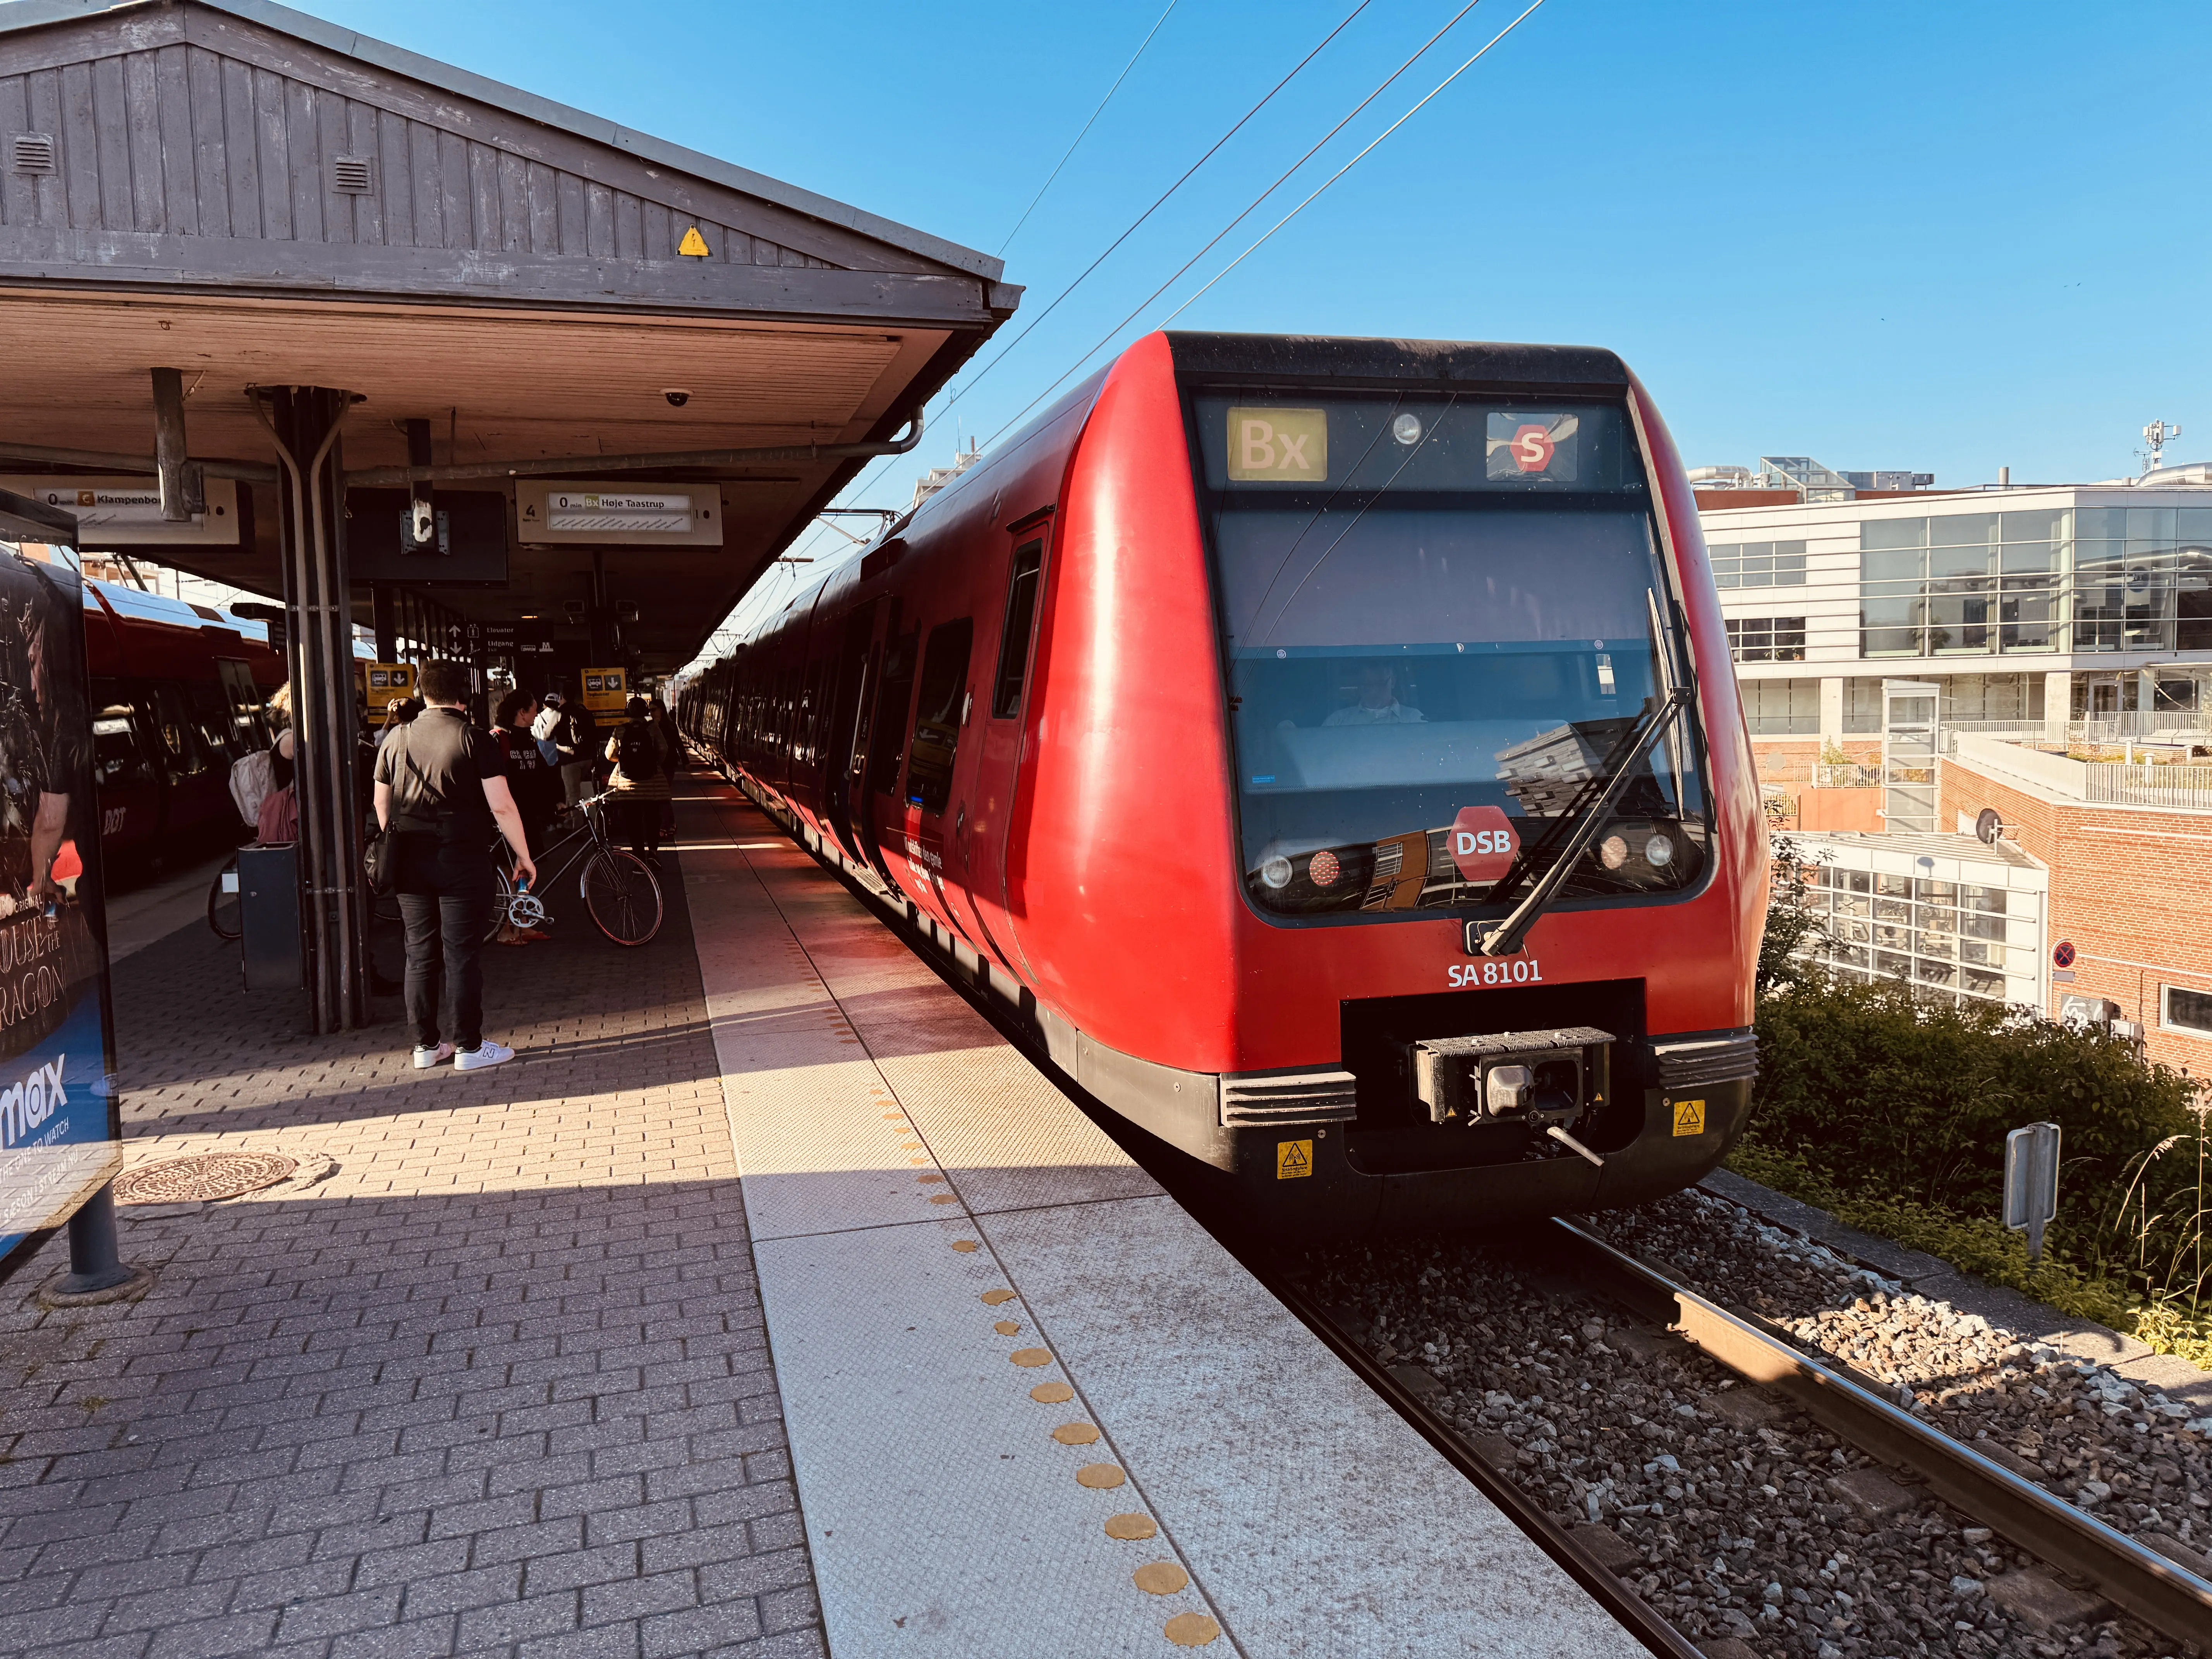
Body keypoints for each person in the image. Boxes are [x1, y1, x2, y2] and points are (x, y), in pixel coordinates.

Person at [374, 660, 536, 1071]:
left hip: (410, 861)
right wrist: (523, 855)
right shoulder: (473, 739)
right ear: (465, 695)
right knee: (461, 954)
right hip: (461, 860)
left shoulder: (397, 737)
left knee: (420, 953)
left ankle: (426, 1047)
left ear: (423, 693)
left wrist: (400, 836)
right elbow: (501, 804)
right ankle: (468, 1046)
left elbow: (382, 802)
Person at [604, 695, 671, 866]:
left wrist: (622, 761)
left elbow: (609, 754)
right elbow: (664, 749)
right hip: (652, 785)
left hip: (627, 787)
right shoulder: (653, 729)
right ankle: (653, 853)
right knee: (652, 820)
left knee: (633, 824)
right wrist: (654, 763)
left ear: (628, 713)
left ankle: (639, 859)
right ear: (645, 712)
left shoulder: (620, 730)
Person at [1322, 664, 1426, 726]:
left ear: (1393, 681)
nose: (1374, 691)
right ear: (1359, 686)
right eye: (1367, 685)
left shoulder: (1414, 719)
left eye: (1380, 684)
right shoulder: (1337, 721)